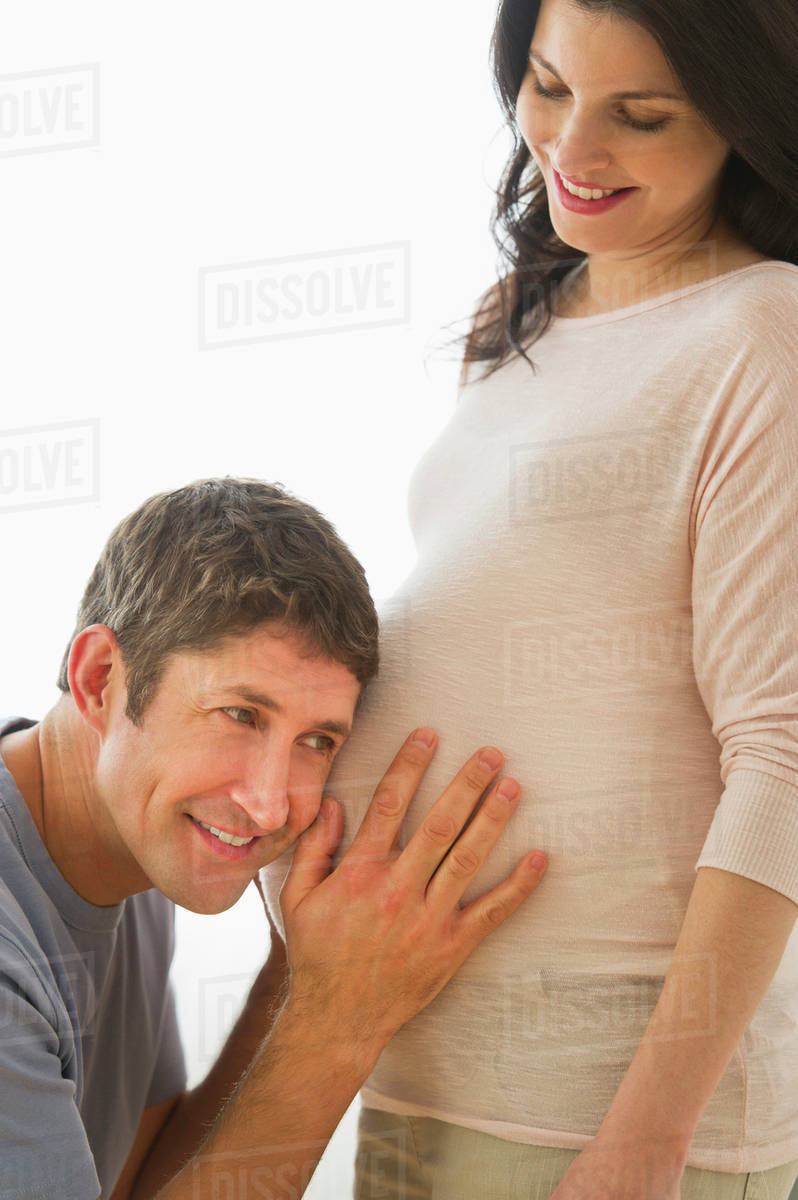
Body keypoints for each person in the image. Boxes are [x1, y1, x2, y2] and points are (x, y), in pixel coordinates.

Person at [261, 0, 798, 1197]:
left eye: (641, 117)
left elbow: (784, 755)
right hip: (412, 1073)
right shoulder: (519, 321)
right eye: (548, 87)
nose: (572, 149)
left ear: (744, 120)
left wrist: (642, 1147)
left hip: (607, 1127)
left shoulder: (764, 332)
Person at [0, 476, 550, 1199]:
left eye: (317, 740)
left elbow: (135, 1185)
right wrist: (343, 1018)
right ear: (102, 679)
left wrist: (296, 973)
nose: (267, 806)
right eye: (239, 715)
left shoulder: (130, 849)